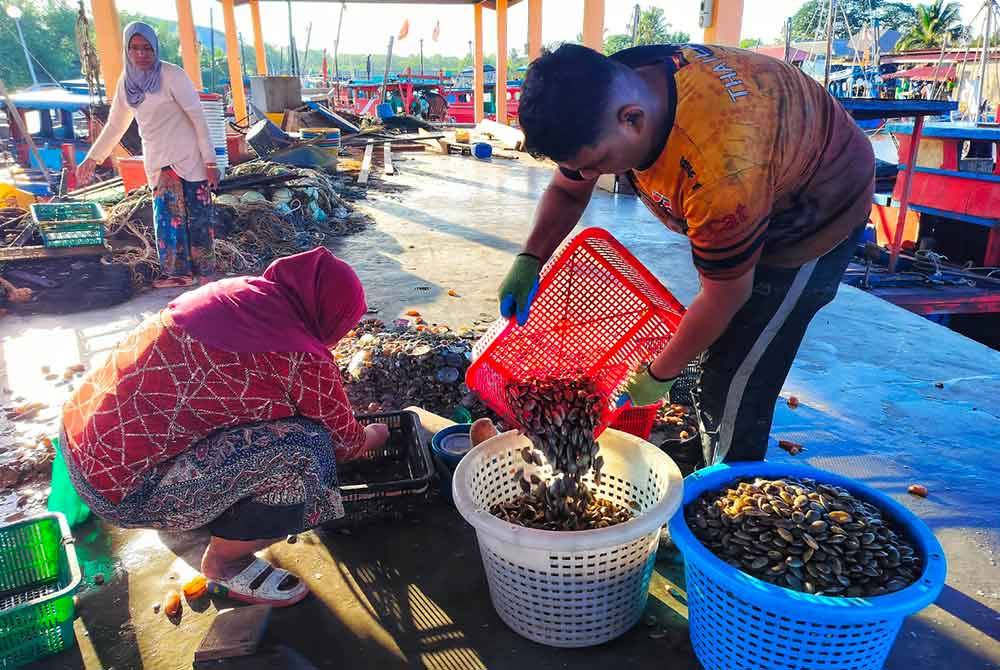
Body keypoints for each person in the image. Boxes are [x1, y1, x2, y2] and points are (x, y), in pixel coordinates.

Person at [499, 44, 874, 465]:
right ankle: (703, 444)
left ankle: (729, 486)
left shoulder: (720, 171)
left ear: (632, 119)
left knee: (739, 368)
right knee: (709, 342)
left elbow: (726, 295)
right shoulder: (610, 85)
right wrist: (530, 257)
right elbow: (568, 190)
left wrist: (659, 375)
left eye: (596, 163)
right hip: (757, 175)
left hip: (817, 208)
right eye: (577, 166)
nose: (587, 177)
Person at [60, 247, 390, 607]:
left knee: (272, 422)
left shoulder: (235, 294)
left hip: (80, 442)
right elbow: (345, 442)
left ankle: (195, 509)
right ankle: (224, 564)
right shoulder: (299, 354)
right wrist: (375, 435)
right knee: (310, 450)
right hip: (124, 494)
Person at [78, 22, 219, 289]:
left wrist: (211, 161)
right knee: (167, 219)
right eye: (134, 48)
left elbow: (199, 119)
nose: (141, 54)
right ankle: (178, 274)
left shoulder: (172, 75)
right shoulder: (126, 82)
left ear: (155, 48)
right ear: (126, 50)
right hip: (157, 159)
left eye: (146, 48)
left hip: (189, 158)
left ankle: (205, 275)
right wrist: (93, 157)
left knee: (198, 219)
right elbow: (116, 125)